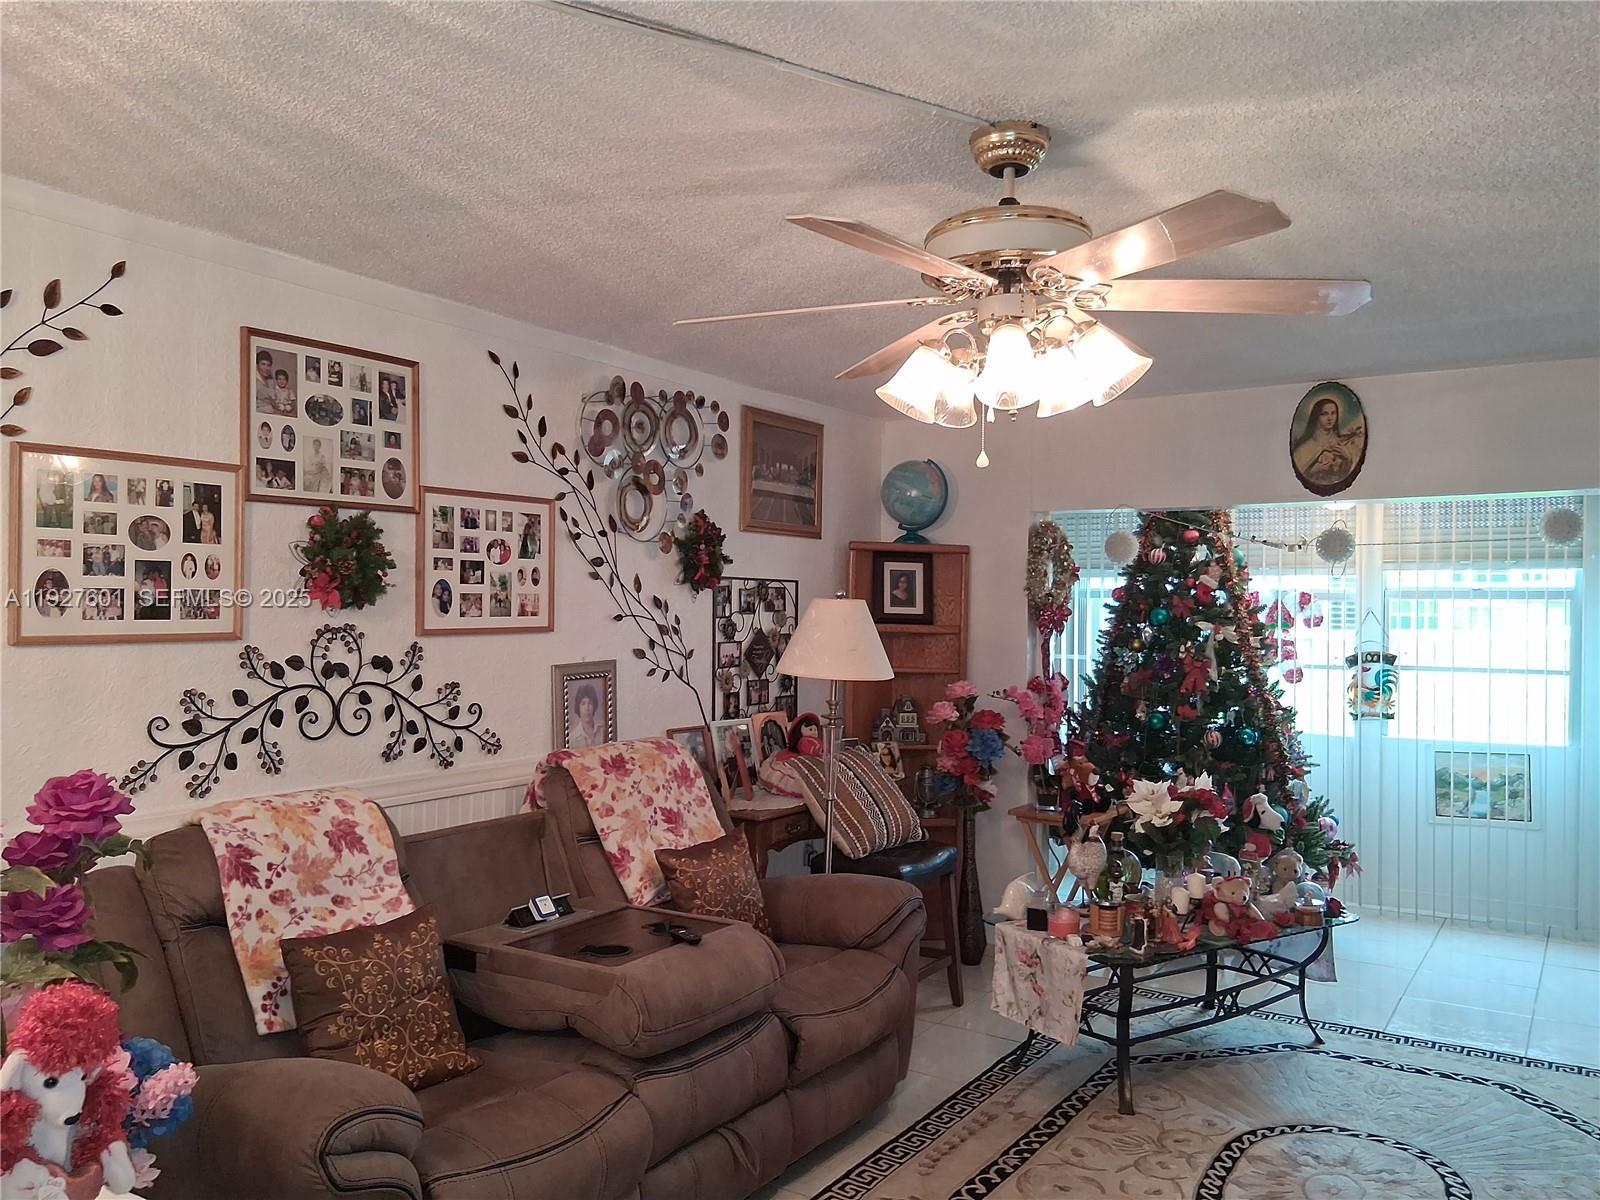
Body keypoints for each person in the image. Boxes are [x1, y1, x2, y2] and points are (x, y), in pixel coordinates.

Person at [1292, 396, 1364, 486]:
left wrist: (1348, 458)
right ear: (1316, 416)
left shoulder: (1342, 443)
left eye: (1333, 413)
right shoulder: (1304, 448)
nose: (1330, 418)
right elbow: (1301, 474)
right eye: (1324, 414)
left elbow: (1346, 474)